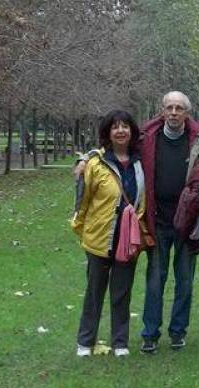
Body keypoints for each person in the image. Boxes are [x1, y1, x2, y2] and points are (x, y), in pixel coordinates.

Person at [71, 110, 145, 357]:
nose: (121, 131)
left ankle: (120, 342)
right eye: (115, 127)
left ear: (132, 131)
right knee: (94, 292)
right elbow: (83, 200)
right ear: (108, 133)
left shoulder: (140, 161)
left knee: (122, 293)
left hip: (128, 239)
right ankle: (85, 341)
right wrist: (80, 228)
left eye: (125, 126)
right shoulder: (95, 163)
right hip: (99, 237)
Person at [139, 91, 199, 353]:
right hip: (158, 220)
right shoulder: (147, 138)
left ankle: (178, 331)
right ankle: (149, 333)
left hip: (187, 222)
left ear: (187, 112)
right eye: (170, 108)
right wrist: (85, 158)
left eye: (179, 108)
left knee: (185, 279)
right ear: (162, 111)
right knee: (155, 279)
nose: (174, 112)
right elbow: (114, 144)